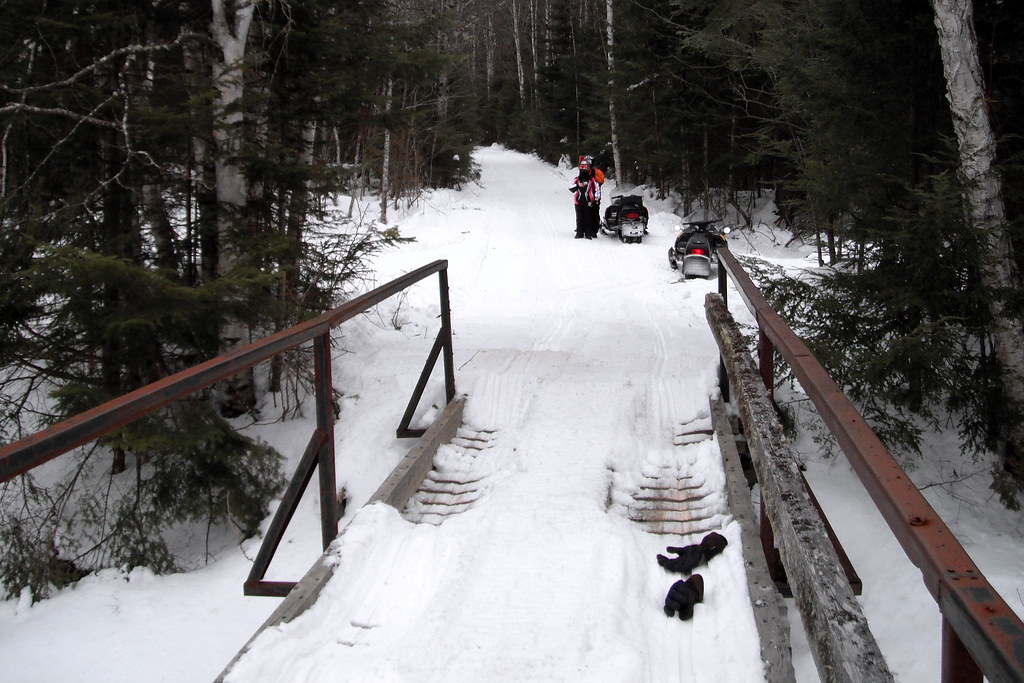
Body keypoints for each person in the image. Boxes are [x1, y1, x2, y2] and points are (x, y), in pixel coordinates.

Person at [569, 161, 601, 239]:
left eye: (585, 168)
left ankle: (588, 233)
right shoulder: (577, 179)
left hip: (589, 201)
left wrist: (596, 199)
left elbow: (597, 189)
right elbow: (570, 187)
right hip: (578, 201)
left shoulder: (592, 180)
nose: (583, 170)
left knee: (588, 217)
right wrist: (577, 185)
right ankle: (579, 232)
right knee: (579, 217)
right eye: (582, 168)